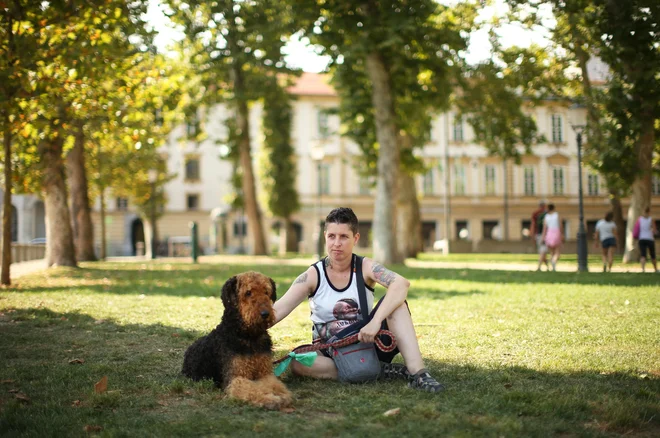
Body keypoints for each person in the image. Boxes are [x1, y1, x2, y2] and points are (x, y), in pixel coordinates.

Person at [272, 207, 444, 392]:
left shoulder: (365, 266)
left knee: (398, 306)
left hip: (367, 344)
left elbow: (401, 284)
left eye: (344, 237)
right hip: (330, 350)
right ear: (325, 237)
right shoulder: (314, 274)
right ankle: (377, 370)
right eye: (332, 236)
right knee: (299, 363)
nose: (336, 243)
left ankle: (419, 374)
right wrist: (241, 324)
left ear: (355, 238)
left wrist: (376, 322)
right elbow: (277, 310)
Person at [541, 203, 563, 272]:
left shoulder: (546, 217)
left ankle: (552, 264)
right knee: (557, 252)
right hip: (556, 233)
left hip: (549, 234)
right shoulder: (557, 215)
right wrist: (562, 234)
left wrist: (543, 237)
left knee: (551, 252)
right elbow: (560, 225)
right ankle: (554, 262)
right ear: (554, 208)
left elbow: (544, 228)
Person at [636, 207, 658, 273]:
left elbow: (637, 229)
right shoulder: (651, 219)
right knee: (652, 254)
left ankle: (643, 269)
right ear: (649, 212)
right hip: (649, 238)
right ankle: (655, 269)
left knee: (643, 254)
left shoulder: (639, 219)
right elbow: (654, 230)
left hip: (641, 238)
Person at [531, 201, 549, 271]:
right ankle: (543, 266)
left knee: (542, 251)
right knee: (543, 251)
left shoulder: (536, 213)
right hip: (544, 235)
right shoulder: (547, 214)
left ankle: (545, 266)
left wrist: (532, 234)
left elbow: (533, 224)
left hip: (538, 234)